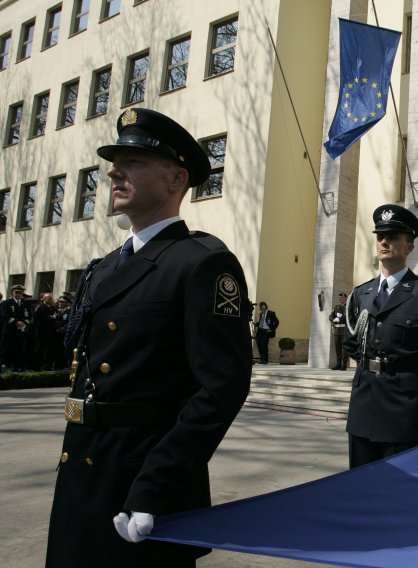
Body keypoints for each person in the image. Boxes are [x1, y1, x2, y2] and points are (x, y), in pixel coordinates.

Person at [46, 108, 252, 567]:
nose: (115, 171)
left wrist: (156, 485)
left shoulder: (200, 263)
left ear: (176, 179)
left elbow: (221, 387)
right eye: (115, 161)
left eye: (133, 161)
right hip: (82, 471)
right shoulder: (102, 268)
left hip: (141, 481)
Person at [343, 204, 418, 469]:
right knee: (359, 489)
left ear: (409, 247)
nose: (384, 241)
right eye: (380, 236)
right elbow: (352, 342)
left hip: (403, 410)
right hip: (363, 406)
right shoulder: (363, 293)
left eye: (393, 236)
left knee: (400, 493)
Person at [0, 285, 31, 371]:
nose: (18, 294)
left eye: (20, 292)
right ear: (12, 293)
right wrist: (16, 322)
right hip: (9, 330)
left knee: (19, 349)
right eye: (16, 292)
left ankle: (17, 367)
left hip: (20, 330)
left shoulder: (25, 304)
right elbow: (5, 315)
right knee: (6, 349)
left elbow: (28, 316)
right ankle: (4, 365)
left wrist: (24, 324)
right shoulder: (6, 303)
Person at [329, 292, 348, 370]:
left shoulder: (347, 307)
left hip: (344, 330)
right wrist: (333, 320)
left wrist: (339, 319)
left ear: (345, 298)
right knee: (338, 348)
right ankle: (338, 364)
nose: (340, 299)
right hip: (337, 331)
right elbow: (331, 316)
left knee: (344, 349)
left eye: (342, 298)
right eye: (339, 297)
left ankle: (344, 364)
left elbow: (347, 316)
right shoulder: (336, 307)